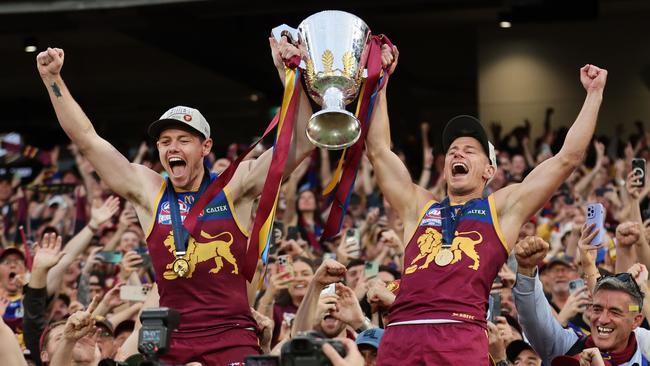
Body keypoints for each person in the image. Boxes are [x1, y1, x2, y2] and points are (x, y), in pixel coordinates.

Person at [36, 36, 314, 365]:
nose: (172, 148)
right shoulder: (147, 190)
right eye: (165, 141)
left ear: (206, 147)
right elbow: (86, 139)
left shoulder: (235, 184)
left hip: (232, 334)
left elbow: (301, 143)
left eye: (184, 140)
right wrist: (53, 80)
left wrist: (291, 78)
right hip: (171, 339)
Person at [366, 43, 608, 364]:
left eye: (469, 150)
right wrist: (379, 82)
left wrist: (594, 94)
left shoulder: (501, 208)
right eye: (452, 150)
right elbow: (379, 151)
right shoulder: (419, 206)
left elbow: (566, 159)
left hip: (459, 336)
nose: (457, 153)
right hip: (400, 334)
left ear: (489, 170)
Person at [513, 236, 650, 365]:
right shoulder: (569, 347)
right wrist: (526, 271)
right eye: (597, 309)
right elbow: (534, 321)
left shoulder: (645, 351)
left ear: (636, 321)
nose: (602, 319)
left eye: (615, 312)